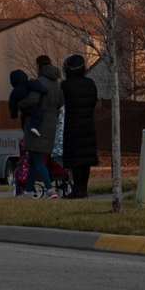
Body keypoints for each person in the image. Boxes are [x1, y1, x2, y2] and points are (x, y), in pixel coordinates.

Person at [18, 56, 64, 198]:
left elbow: (32, 100)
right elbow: (61, 102)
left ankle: (50, 189)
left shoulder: (38, 82)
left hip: (36, 125)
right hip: (51, 124)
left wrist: (19, 104)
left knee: (37, 158)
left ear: (39, 65)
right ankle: (28, 190)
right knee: (32, 157)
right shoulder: (57, 84)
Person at [60, 53, 99, 199]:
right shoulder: (90, 83)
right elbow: (93, 102)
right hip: (88, 124)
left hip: (72, 125)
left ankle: (77, 189)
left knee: (76, 159)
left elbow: (61, 106)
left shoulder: (65, 86)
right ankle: (84, 189)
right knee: (86, 159)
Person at [8, 69, 47, 137]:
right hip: (31, 106)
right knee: (38, 114)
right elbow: (35, 86)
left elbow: (12, 104)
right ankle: (34, 126)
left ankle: (24, 129)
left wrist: (14, 114)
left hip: (23, 109)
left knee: (23, 117)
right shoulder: (27, 84)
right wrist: (43, 89)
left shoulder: (13, 92)